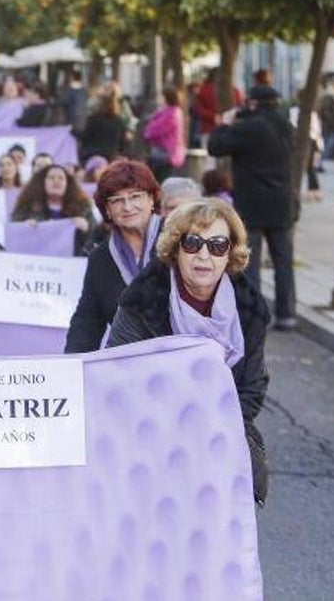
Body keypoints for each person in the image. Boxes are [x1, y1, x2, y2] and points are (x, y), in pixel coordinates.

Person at [107, 198, 270, 506]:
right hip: (151, 432)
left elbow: (252, 387)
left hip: (222, 430)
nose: (204, 256)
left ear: (230, 253)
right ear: (175, 248)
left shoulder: (251, 309)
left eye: (217, 245)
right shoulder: (142, 301)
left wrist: (213, 429)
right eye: (193, 243)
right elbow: (120, 375)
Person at [208, 84, 298, 330]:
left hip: (253, 205)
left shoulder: (248, 128)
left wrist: (225, 123)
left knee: (250, 263)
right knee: (283, 262)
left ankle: (256, 315)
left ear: (253, 103)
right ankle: (287, 313)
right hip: (282, 204)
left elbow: (215, 146)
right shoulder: (287, 127)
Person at [65, 160, 162, 353]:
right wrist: (72, 367)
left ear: (151, 199)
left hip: (185, 361)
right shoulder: (100, 258)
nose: (127, 206)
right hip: (129, 363)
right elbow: (87, 321)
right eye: (117, 200)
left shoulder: (179, 239)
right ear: (107, 210)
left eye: (135, 196)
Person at [11, 165, 97, 255]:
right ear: (42, 183)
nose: (56, 181)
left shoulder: (82, 208)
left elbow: (96, 238)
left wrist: (86, 229)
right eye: (51, 178)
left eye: (61, 178)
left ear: (67, 184)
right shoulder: (27, 207)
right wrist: (23, 228)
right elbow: (13, 235)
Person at [78, 83, 129, 164]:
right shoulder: (119, 121)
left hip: (92, 156)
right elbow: (123, 143)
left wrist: (73, 131)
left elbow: (85, 136)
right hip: (111, 157)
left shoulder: (94, 118)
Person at [143, 86, 187, 181]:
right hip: (164, 153)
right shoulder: (171, 112)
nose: (158, 98)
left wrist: (148, 131)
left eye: (161, 96)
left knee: (161, 181)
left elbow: (153, 131)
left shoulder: (170, 113)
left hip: (165, 153)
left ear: (166, 97)